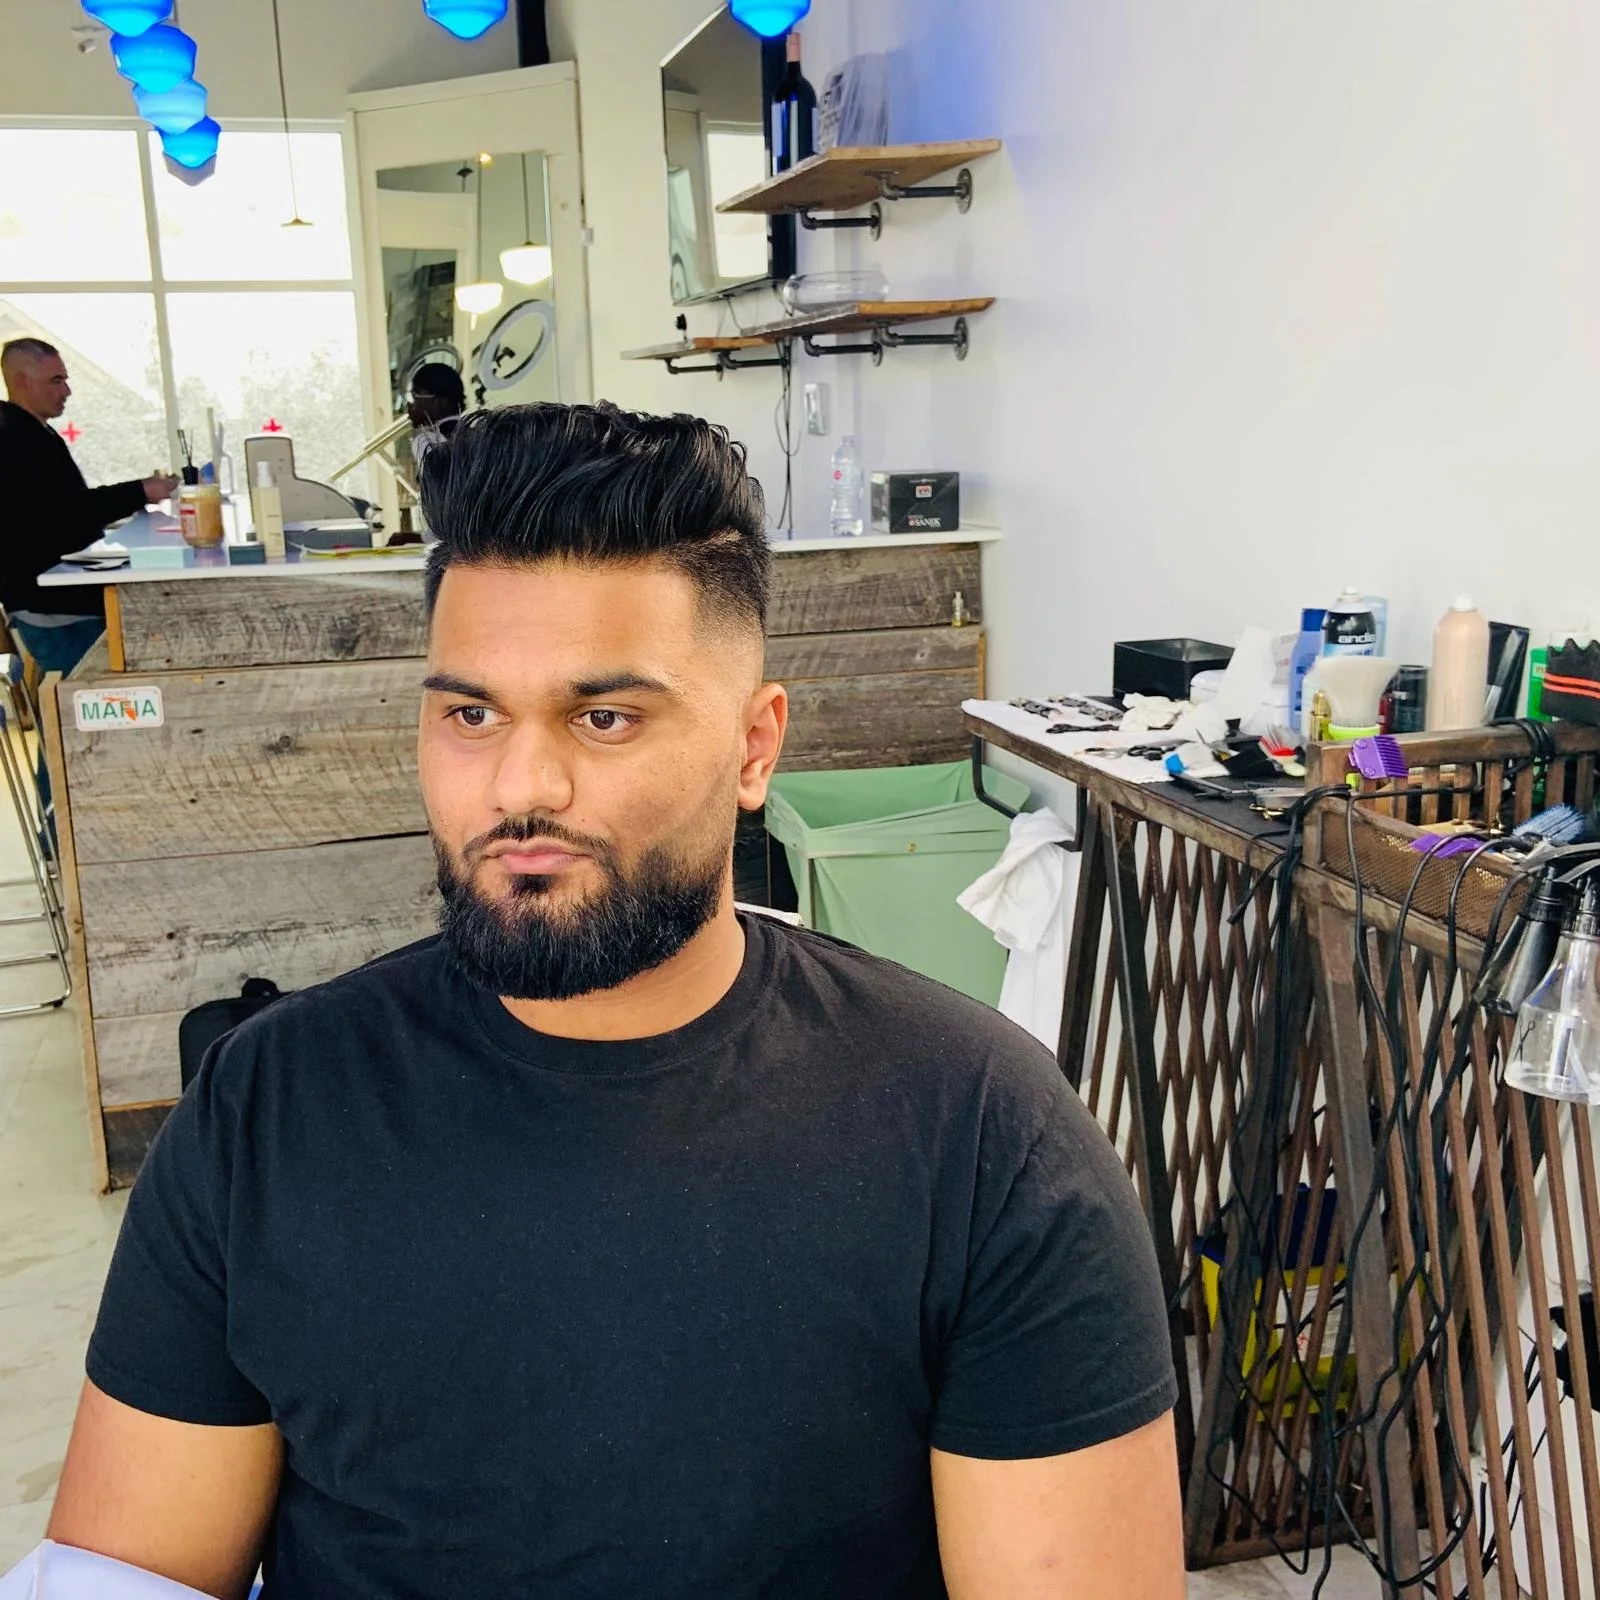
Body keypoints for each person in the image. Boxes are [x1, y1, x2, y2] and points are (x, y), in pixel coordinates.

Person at [45, 404, 1185, 1600]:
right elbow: (127, 1576)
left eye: (605, 716)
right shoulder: (265, 1110)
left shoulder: (981, 1136)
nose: (520, 788)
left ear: (755, 749)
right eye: (470, 714)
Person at [0, 338, 177, 674]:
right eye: (56, 381)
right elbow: (67, 513)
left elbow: (65, 510)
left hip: (62, 600)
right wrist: (140, 491)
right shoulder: (14, 440)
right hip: (57, 611)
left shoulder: (34, 434)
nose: (66, 391)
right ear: (22, 381)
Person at [405, 359, 467, 471]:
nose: (411, 404)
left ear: (439, 401)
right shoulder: (475, 433)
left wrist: (418, 429)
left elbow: (436, 484)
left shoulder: (427, 441)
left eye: (415, 395)